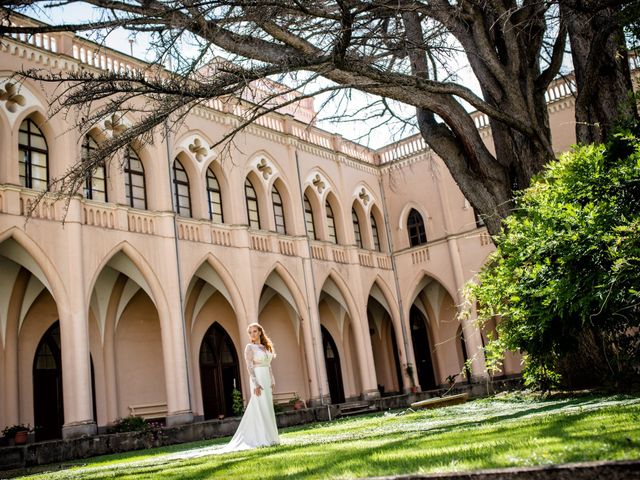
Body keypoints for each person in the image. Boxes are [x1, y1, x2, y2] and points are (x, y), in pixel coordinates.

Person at [223, 322, 280, 452]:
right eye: (250, 332)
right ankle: (261, 438)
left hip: (266, 378)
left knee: (268, 407)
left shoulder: (266, 347)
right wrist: (256, 383)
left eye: (254, 331)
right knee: (259, 407)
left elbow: (268, 365)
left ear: (260, 332)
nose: (252, 334)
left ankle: (272, 438)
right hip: (257, 378)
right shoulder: (249, 347)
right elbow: (249, 366)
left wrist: (272, 379)